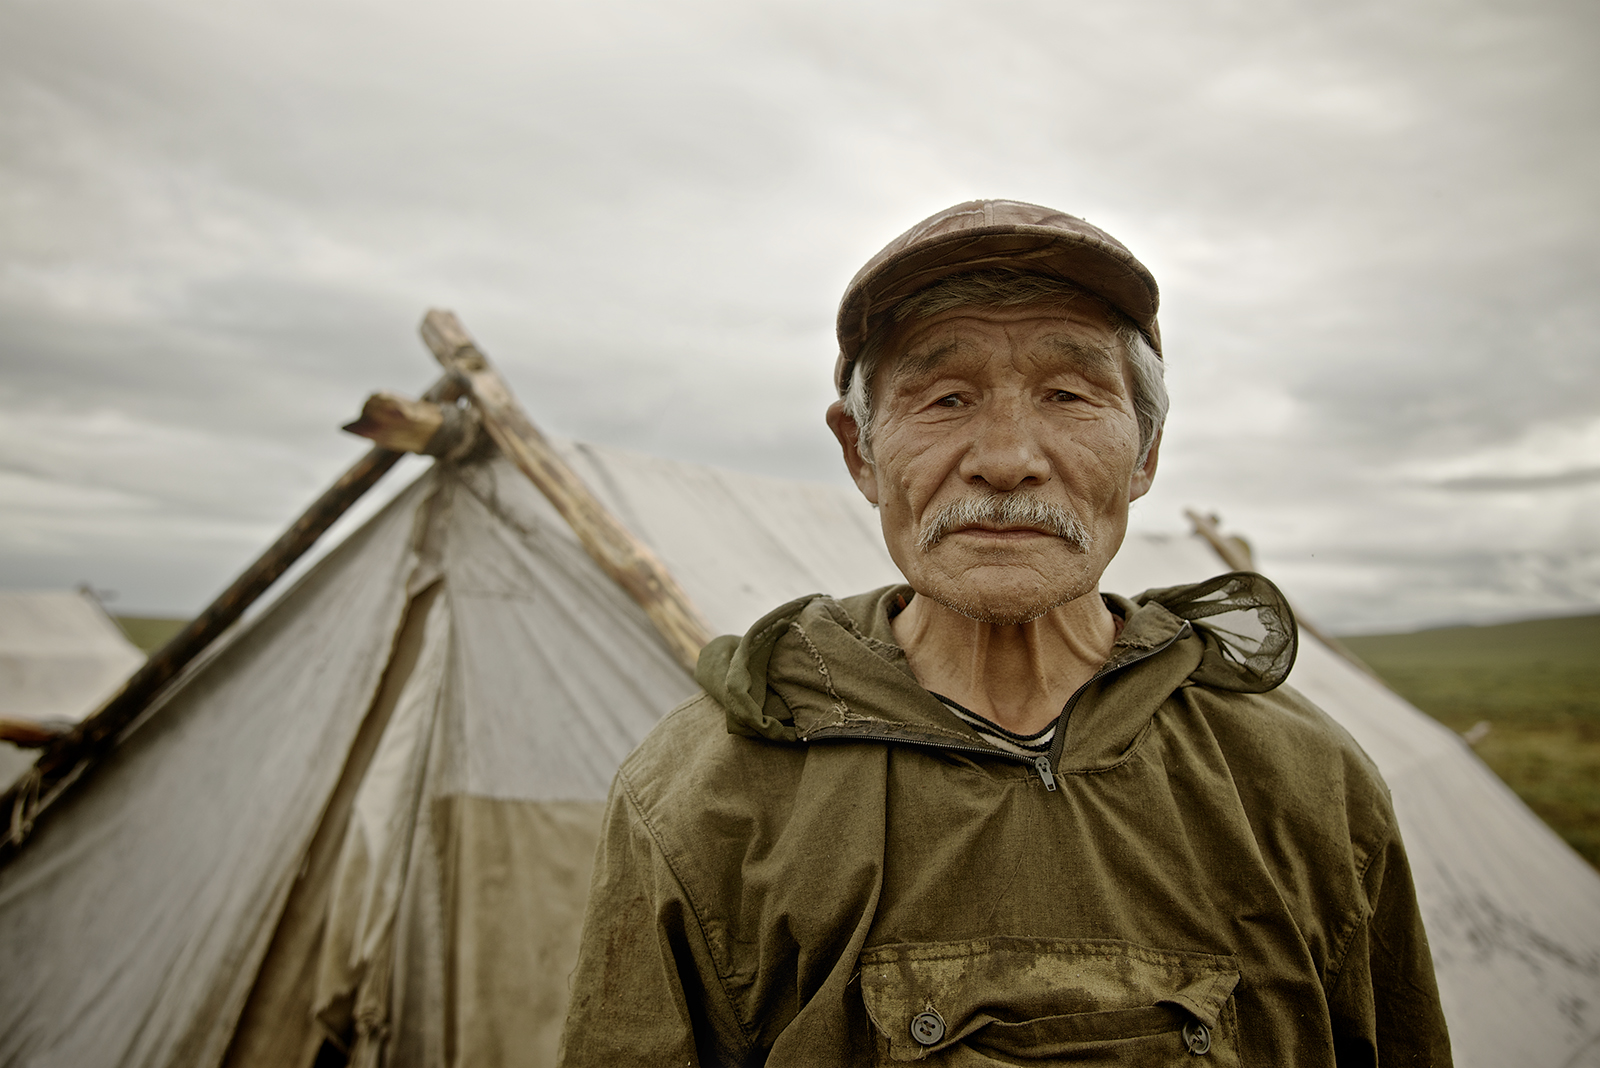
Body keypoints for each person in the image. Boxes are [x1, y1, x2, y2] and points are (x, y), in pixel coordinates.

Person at [558, 199, 1452, 1066]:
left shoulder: (1304, 783)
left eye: (1068, 393)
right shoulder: (704, 796)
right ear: (860, 453)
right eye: (945, 398)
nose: (1006, 458)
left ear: (1144, 453)